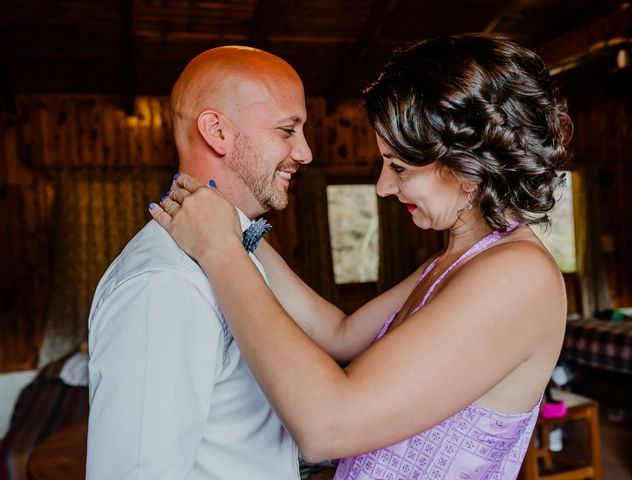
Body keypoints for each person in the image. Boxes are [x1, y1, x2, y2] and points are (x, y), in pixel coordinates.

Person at [151, 33, 571, 479]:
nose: (383, 187)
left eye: (400, 167)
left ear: (467, 167)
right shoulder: (461, 260)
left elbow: (329, 425)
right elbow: (340, 332)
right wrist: (234, 224)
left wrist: (220, 253)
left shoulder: (518, 276)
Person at [87, 45, 312, 479]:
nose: (305, 153)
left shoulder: (237, 251)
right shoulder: (165, 283)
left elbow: (340, 333)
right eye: (288, 130)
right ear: (217, 132)